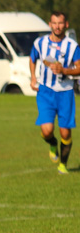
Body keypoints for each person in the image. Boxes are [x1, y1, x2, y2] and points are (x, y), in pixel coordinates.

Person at [29, 11, 80, 175]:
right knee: (47, 130)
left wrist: (64, 70)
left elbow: (79, 68)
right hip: (45, 91)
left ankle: (63, 165)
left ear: (66, 24)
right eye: (54, 23)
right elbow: (32, 58)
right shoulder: (40, 43)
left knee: (65, 131)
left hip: (65, 92)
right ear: (49, 24)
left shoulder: (72, 46)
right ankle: (52, 144)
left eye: (60, 23)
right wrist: (32, 78)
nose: (57, 26)